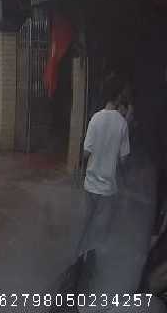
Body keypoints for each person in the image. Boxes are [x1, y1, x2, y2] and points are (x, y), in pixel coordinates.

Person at [77, 75, 131, 264]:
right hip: (108, 188)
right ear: (118, 97)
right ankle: (93, 263)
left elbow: (86, 152)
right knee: (100, 229)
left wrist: (82, 171)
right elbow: (124, 159)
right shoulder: (122, 123)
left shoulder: (95, 119)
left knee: (87, 223)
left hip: (90, 184)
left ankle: (78, 257)